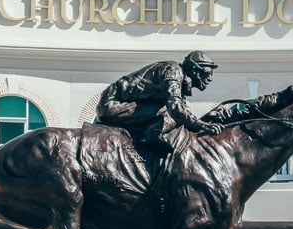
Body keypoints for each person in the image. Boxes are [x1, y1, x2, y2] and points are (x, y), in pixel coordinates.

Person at [95, 51, 223, 153]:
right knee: (170, 109)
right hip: (112, 105)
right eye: (207, 73)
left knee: (179, 111)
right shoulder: (173, 72)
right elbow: (175, 107)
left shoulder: (180, 79)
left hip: (127, 104)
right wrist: (201, 125)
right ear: (195, 70)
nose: (210, 78)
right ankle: (152, 136)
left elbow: (183, 110)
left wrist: (199, 123)